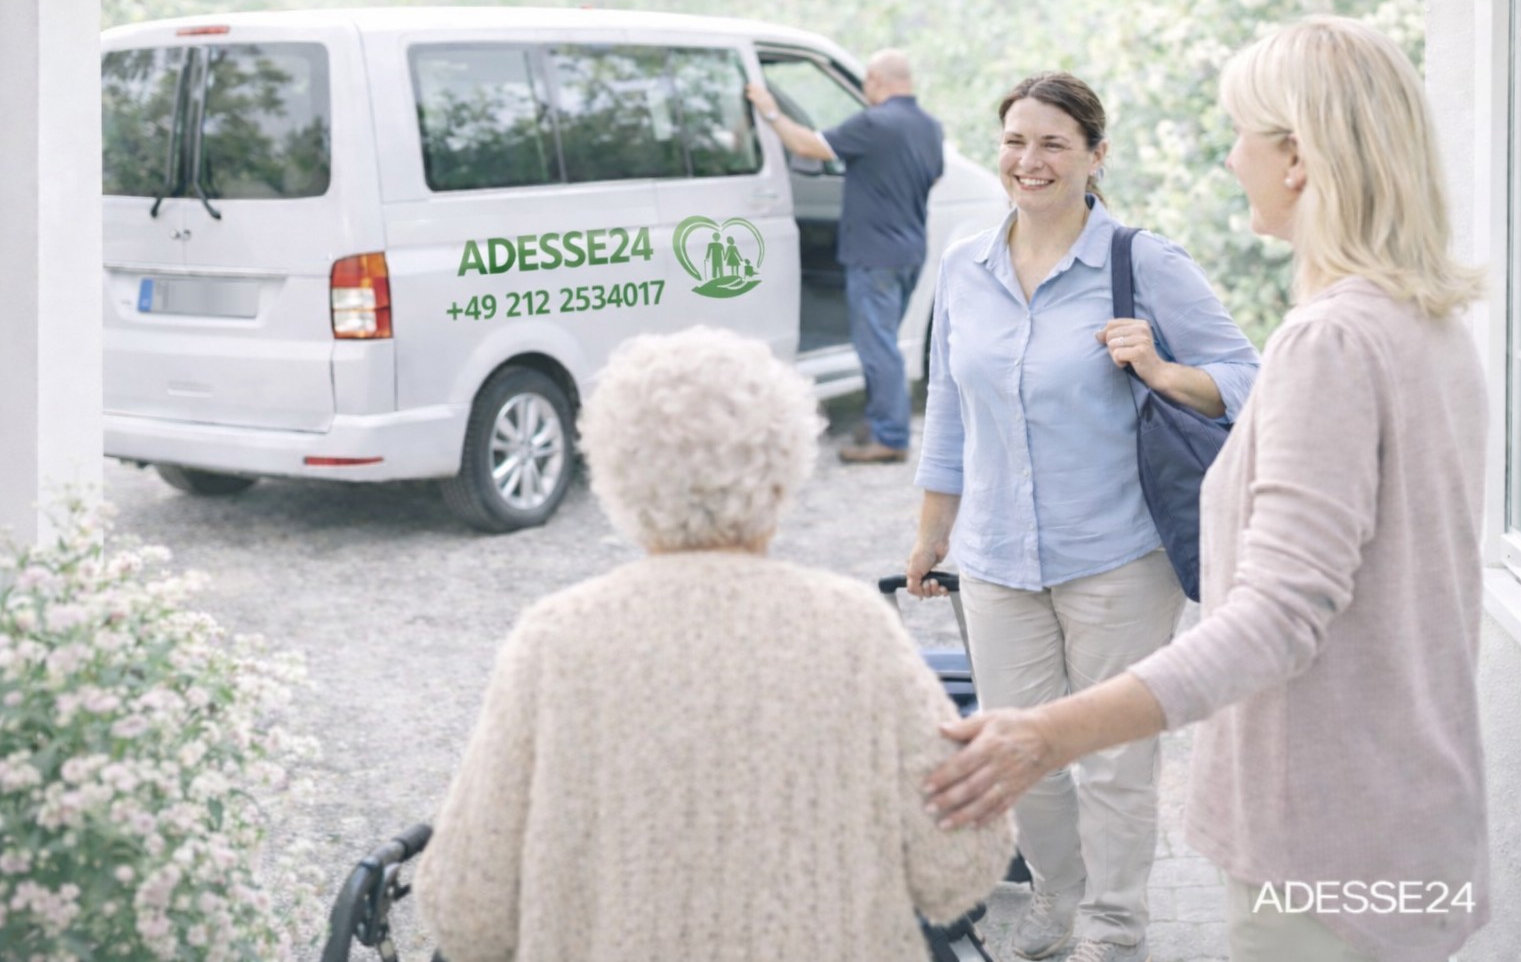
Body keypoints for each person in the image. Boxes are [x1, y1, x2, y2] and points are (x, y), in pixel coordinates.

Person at [923, 17, 1489, 962]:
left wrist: (1044, 734)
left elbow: (1275, 619)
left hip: (1324, 832)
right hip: (1407, 806)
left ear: (1299, 159)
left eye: (1240, 134)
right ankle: (1060, 904)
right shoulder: (1425, 322)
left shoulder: (1329, 341)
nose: (1229, 160)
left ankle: (1112, 922)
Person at [414, 327, 1014, 962]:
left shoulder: (555, 641)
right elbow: (960, 865)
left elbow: (467, 908)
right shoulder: (852, 630)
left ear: (614, 474)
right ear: (784, 472)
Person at [905, 71, 1261, 962]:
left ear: (1096, 157)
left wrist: (1164, 371)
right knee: (1020, 753)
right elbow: (948, 405)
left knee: (1113, 760)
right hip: (993, 558)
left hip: (1116, 555)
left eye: (1054, 143)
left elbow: (1252, 380)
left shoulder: (1143, 264)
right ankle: (1054, 904)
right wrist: (930, 532)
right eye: (1016, 140)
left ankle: (1114, 924)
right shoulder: (963, 265)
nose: (1031, 161)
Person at [746, 49, 944, 464]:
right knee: (884, 340)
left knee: (878, 346)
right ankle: (879, 420)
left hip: (873, 255)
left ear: (874, 80)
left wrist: (769, 111)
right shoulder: (928, 126)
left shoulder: (874, 123)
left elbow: (806, 144)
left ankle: (890, 436)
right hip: (910, 249)